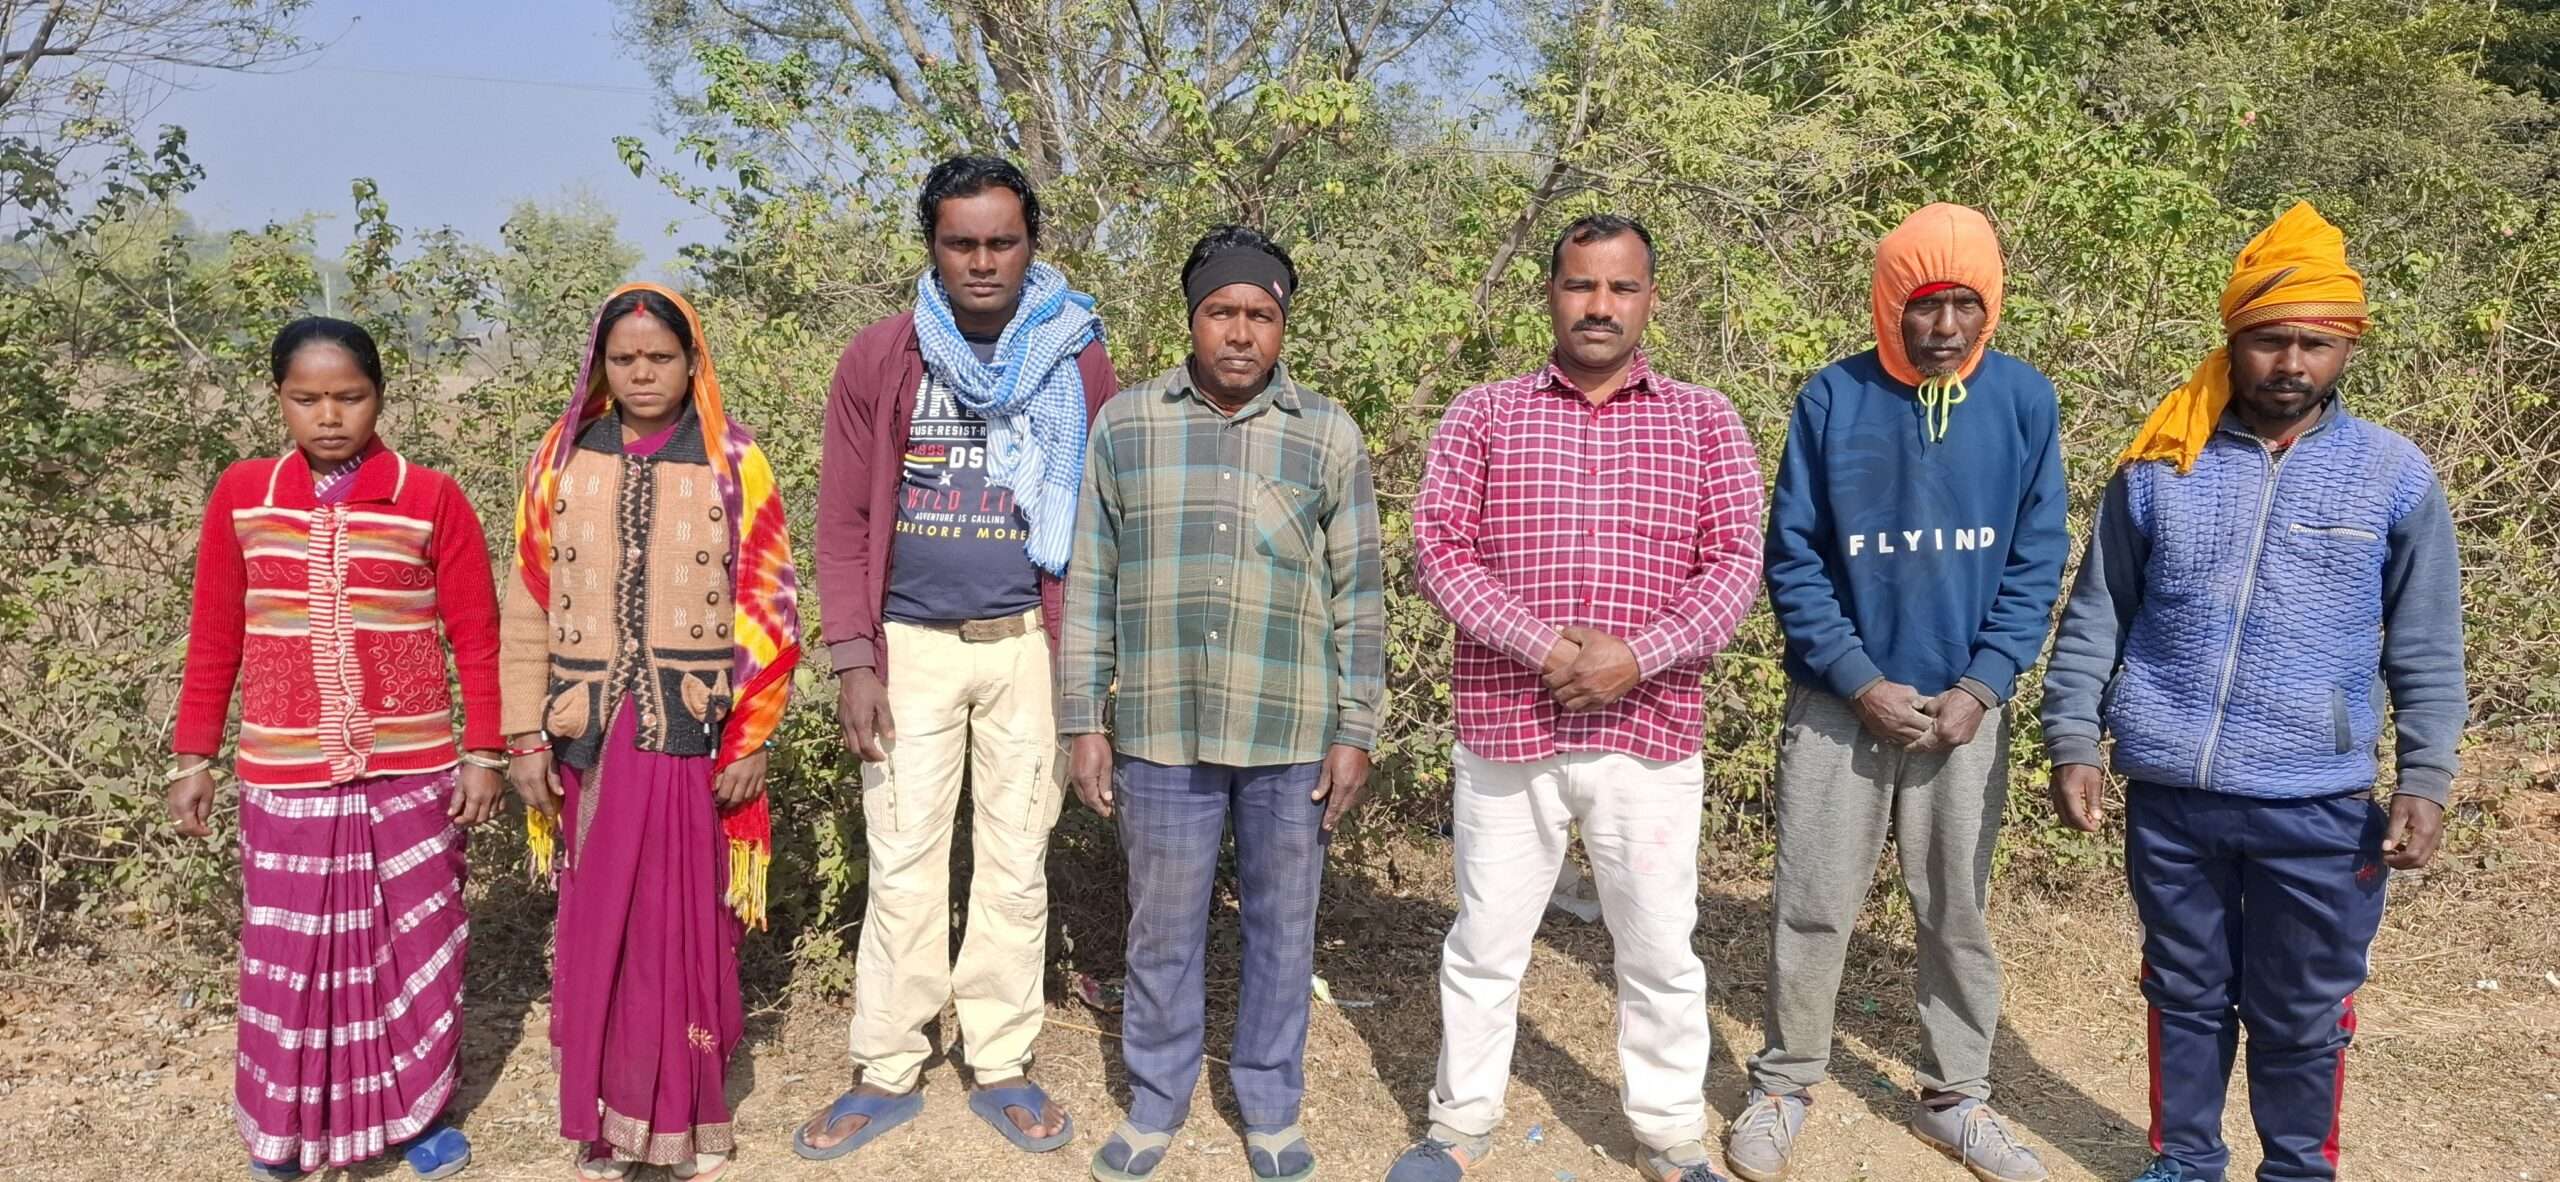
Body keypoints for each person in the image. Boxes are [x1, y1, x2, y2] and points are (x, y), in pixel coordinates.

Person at [2040, 202, 2468, 1182]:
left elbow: (2427, 645)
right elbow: (2098, 612)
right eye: (2269, 339)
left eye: (2315, 343)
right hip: (2172, 790)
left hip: (2318, 800)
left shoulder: (2392, 477)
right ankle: (2185, 1162)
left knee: (2302, 1007)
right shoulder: (2162, 465)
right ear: (2232, 341)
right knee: (2182, 990)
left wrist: (2426, 776)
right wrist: (2073, 737)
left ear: (2346, 348)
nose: (2290, 363)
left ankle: (2296, 1171)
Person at [1388, 214, 1763, 1182]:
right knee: (1484, 942)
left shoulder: (1705, 420)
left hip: (1651, 731)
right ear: (1550, 293)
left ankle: (1670, 1134)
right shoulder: (1483, 413)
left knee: (1659, 949)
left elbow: (1733, 565)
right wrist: (1546, 647)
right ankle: (1459, 1122)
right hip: (1509, 728)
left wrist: (1635, 658)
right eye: (1581, 285)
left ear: (1650, 300)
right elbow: (1440, 549)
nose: (1600, 305)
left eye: (1621, 287)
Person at [1729, 203, 2066, 1182]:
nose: (1945, 326)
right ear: (1889, 304)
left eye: (1965, 303)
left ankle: (1955, 1097)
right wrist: (1857, 678)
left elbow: (2036, 557)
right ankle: (1785, 1082)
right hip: (1840, 706)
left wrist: (1984, 683)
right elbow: (1793, 557)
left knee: (1955, 909)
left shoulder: (2022, 401)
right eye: (1924, 304)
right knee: (1812, 902)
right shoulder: (1833, 398)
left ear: (1990, 304)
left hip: (1964, 710)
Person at [795, 153, 1117, 1161]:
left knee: (1017, 864)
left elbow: (1101, 526)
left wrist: (1085, 674)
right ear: (931, 248)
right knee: (902, 863)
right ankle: (887, 1065)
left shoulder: (1075, 357)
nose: (982, 262)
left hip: (1027, 646)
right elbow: (844, 518)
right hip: (910, 650)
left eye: (1001, 242)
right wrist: (854, 659)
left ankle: (1002, 1060)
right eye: (961, 243)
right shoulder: (883, 357)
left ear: (1032, 245)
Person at [1062, 225, 1384, 1182]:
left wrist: (1356, 728)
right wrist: (1084, 720)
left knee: (1283, 927)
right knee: (1161, 927)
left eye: (1259, 315)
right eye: (1220, 312)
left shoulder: (1327, 432)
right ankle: (1156, 1100)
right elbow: (1091, 582)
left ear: (1282, 325)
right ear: (1192, 319)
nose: (1240, 333)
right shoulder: (1127, 425)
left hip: (1291, 730)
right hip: (1160, 726)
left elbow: (1361, 594)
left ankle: (1271, 1105)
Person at [170, 316, 499, 1182]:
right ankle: (285, 1130)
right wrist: (194, 756)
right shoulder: (244, 494)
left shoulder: (431, 497)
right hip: (286, 773)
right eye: (306, 398)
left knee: (416, 946)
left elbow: (477, 634)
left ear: (379, 396)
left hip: (412, 771)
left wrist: (484, 751)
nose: (327, 416)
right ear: (278, 399)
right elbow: (215, 634)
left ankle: (418, 1116)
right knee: (292, 956)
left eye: (348, 397)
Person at [501, 284, 802, 1182]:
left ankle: (688, 1120)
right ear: (600, 365)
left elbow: (769, 601)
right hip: (587, 736)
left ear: (692, 361)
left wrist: (752, 737)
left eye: (660, 357)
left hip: (690, 737)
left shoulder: (734, 460)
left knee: (682, 925)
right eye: (624, 359)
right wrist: (522, 736)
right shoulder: (561, 457)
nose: (642, 373)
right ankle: (607, 1126)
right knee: (605, 928)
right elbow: (527, 600)